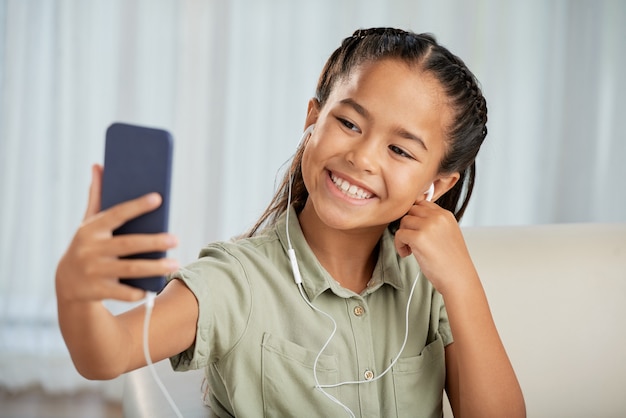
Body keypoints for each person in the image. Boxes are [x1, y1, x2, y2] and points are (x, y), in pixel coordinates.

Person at [56, 27, 526, 417]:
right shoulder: (236, 281)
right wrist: (75, 293)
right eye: (349, 124)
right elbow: (108, 354)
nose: (361, 157)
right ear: (313, 118)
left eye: (399, 150)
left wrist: (463, 284)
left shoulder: (431, 285)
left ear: (438, 185)